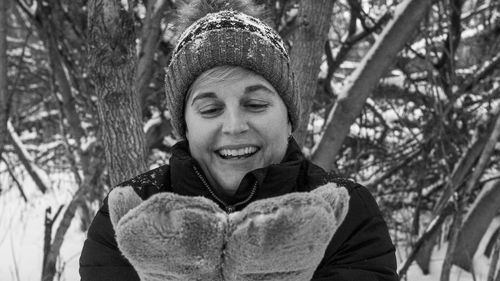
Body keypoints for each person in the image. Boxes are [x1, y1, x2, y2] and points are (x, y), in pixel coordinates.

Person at [79, 0, 398, 280]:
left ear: (288, 118)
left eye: (256, 105)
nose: (233, 126)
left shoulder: (345, 212)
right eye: (210, 108)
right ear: (185, 126)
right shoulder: (131, 214)